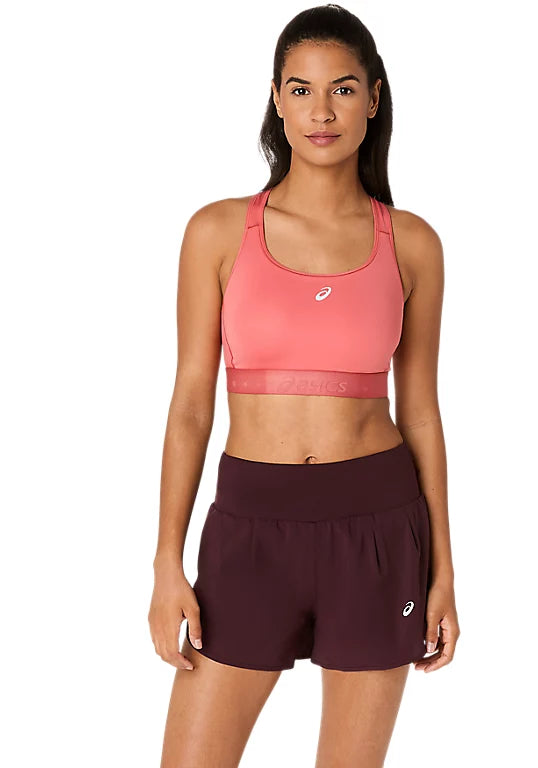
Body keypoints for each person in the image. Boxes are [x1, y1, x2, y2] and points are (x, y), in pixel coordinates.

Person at [150, 5, 460, 766]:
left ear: (373, 99)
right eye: (301, 89)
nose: (322, 111)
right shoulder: (218, 231)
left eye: (343, 89)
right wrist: (166, 561)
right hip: (250, 531)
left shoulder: (412, 243)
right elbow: (190, 406)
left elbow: (421, 413)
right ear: (276, 98)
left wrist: (445, 571)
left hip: (377, 530)